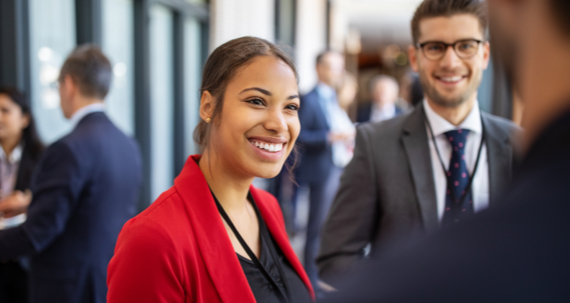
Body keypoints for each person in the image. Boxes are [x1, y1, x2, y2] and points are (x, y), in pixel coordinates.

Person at [324, 0, 570, 300]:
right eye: (435, 47)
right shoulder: (375, 143)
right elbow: (335, 257)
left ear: (485, 54)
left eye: (465, 45)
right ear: (414, 58)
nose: (450, 62)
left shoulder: (520, 144)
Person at [107, 36, 314, 303]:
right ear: (208, 105)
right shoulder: (152, 238)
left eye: (290, 107)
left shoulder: (268, 206)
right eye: (256, 101)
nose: (278, 124)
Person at [0, 45, 142, 303]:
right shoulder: (127, 144)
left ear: (69, 84)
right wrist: (31, 204)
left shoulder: (68, 148)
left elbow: (37, 233)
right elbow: (92, 207)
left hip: (68, 288)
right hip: (108, 279)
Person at [295, 50, 354, 292]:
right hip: (319, 171)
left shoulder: (332, 99)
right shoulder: (308, 99)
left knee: (329, 225)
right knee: (316, 228)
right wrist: (330, 137)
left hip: (335, 168)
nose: (337, 72)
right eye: (331, 66)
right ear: (318, 68)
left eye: (339, 67)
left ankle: (320, 276)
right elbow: (299, 135)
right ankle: (309, 282)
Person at [0, 87, 44, 303]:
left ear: (25, 118)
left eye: (5, 110)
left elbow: (51, 207)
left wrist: (27, 202)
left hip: (27, 262)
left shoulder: (44, 157)